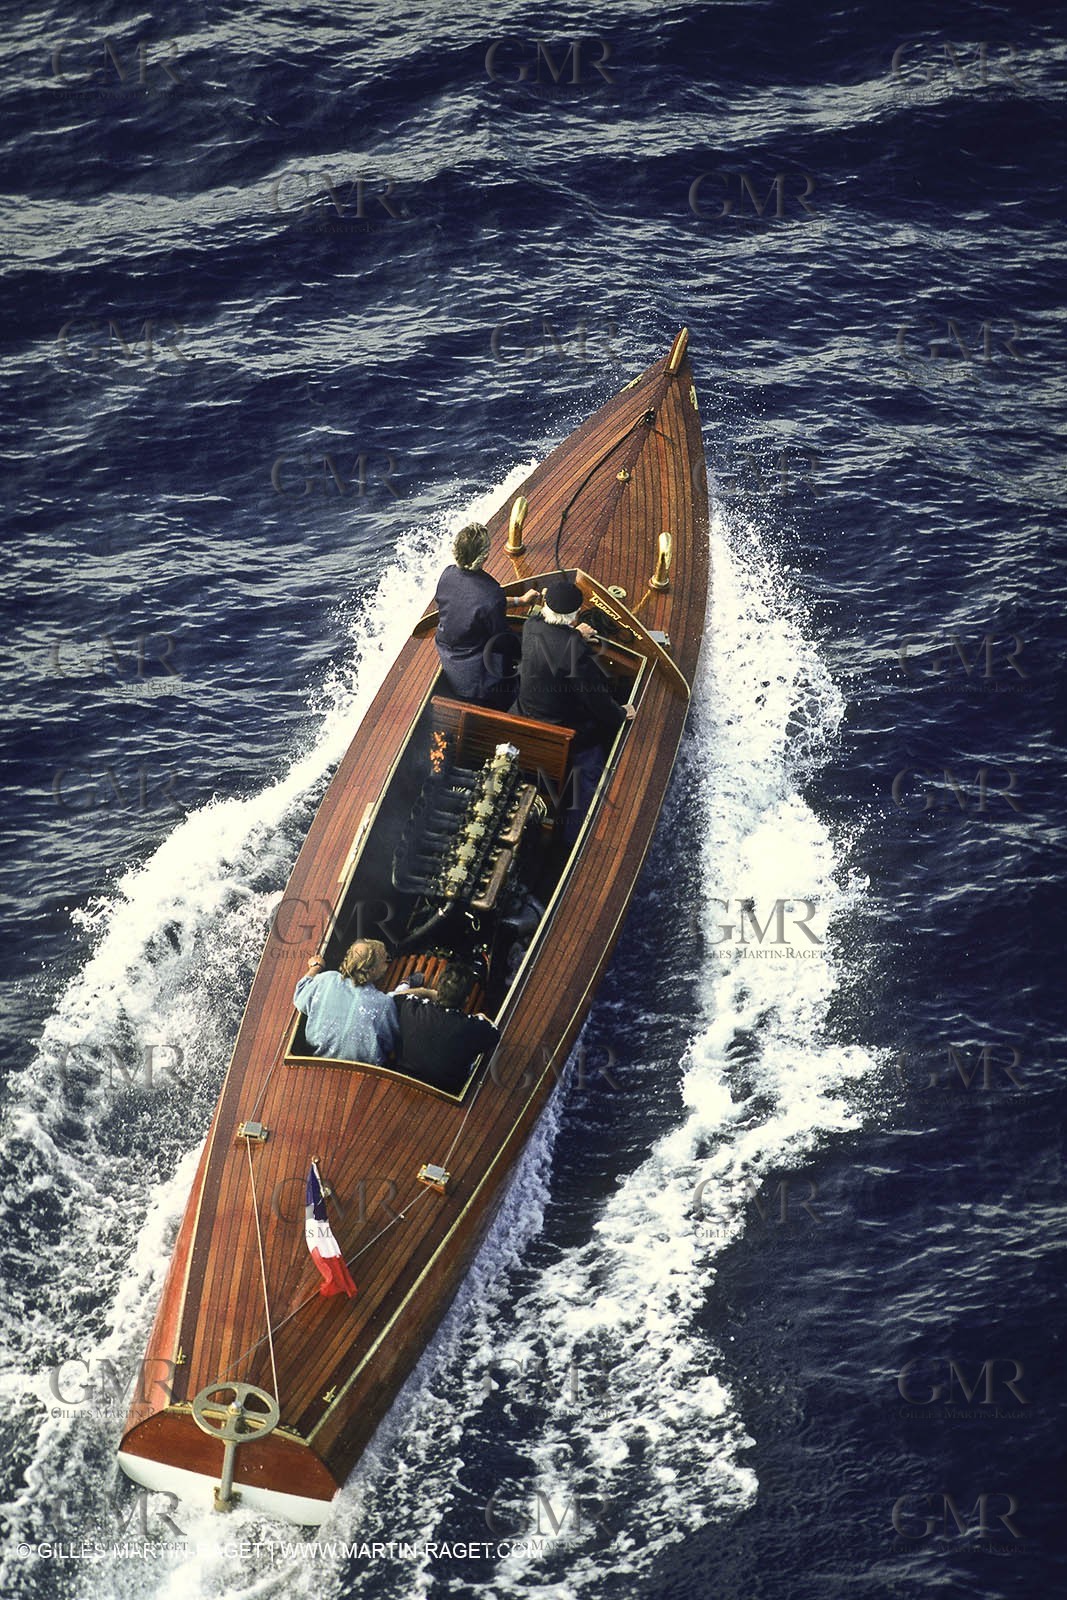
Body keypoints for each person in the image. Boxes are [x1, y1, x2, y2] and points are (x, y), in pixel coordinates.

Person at [516, 578, 635, 839]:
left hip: (524, 716)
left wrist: (573, 635)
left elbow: (553, 639)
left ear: (546, 606)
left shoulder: (530, 627)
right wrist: (620, 713)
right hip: (560, 730)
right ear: (575, 615)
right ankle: (575, 836)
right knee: (592, 761)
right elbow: (596, 699)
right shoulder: (574, 649)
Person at [434, 523, 539, 708]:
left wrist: (519, 601)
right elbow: (501, 640)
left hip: (448, 657)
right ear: (485, 556)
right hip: (476, 677)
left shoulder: (447, 574)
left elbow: (473, 603)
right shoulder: (491, 593)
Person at [396, 962, 499, 1092]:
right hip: (446, 1094)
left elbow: (397, 996)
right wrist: (481, 1016)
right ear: (466, 999)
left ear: (439, 990)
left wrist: (426, 991)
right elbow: (495, 1033)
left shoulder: (412, 1008)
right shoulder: (472, 1028)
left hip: (402, 1084)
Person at [293, 939, 400, 1064]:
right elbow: (392, 1044)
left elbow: (299, 996)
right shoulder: (385, 1004)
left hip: (319, 1060)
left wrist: (315, 967)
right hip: (365, 1073)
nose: (387, 964)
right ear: (372, 971)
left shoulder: (326, 979)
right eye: (385, 960)